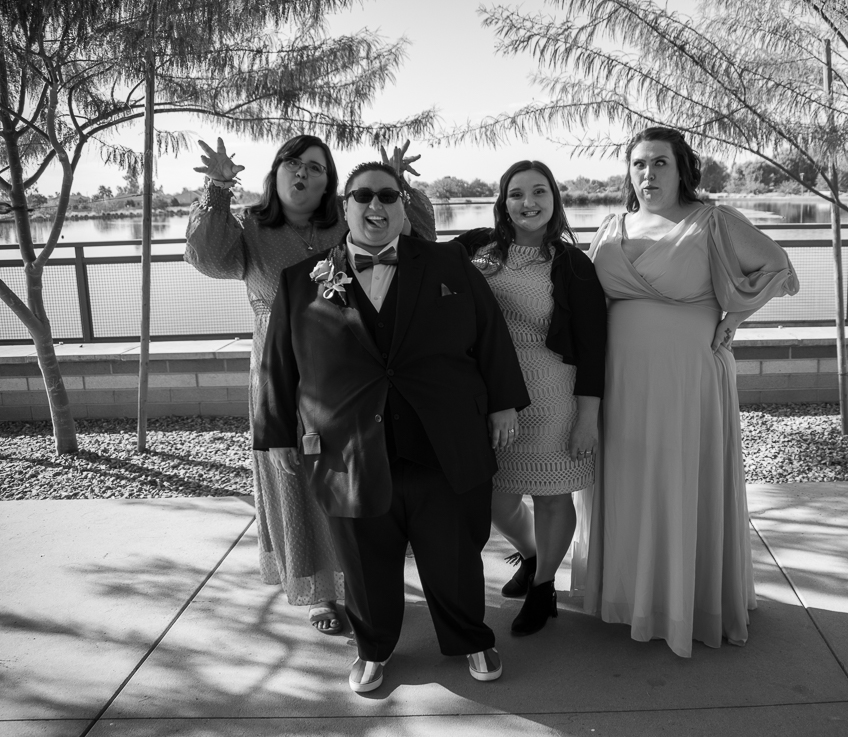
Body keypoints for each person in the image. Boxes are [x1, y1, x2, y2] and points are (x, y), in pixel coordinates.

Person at [253, 162, 530, 693]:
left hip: (444, 439)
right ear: (345, 207)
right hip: (349, 447)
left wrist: (503, 405)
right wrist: (278, 435)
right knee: (364, 559)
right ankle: (373, 648)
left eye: (387, 195)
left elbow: (491, 333)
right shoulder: (300, 280)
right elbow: (278, 366)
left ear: (404, 205)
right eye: (363, 196)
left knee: (453, 552)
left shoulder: (449, 263)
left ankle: (470, 637)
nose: (375, 205)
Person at [185, 135, 434, 637]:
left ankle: (367, 576)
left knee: (355, 470)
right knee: (295, 473)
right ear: (275, 173)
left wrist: (394, 188)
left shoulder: (345, 222)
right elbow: (207, 258)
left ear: (329, 183)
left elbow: (418, 244)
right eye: (293, 163)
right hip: (283, 369)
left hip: (350, 372)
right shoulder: (249, 230)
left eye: (316, 167)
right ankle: (321, 589)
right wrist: (217, 188)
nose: (303, 173)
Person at [575, 127, 799, 658]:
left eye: (660, 163)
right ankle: (633, 598)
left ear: (682, 170)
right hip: (620, 380)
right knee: (630, 482)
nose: (648, 173)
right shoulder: (611, 227)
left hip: (687, 379)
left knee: (680, 481)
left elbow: (778, 265)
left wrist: (735, 317)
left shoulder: (712, 221)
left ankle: (686, 605)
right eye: (639, 164)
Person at [461, 161, 607, 637]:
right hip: (491, 396)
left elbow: (593, 347)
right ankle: (530, 555)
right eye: (517, 193)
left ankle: (544, 588)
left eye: (539, 191)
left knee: (551, 497)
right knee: (495, 501)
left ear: (554, 200)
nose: (529, 202)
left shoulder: (573, 266)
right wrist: (403, 192)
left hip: (552, 396)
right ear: (503, 202)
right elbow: (418, 256)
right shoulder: (477, 248)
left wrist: (587, 418)